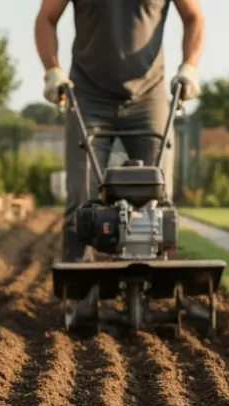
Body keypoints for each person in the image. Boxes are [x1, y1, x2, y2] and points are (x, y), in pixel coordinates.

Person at [35, 0, 205, 263]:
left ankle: (156, 277)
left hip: (149, 96)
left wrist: (190, 67)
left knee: (158, 195)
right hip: (88, 96)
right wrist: (52, 71)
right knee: (81, 197)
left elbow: (193, 16)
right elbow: (47, 17)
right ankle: (79, 291)